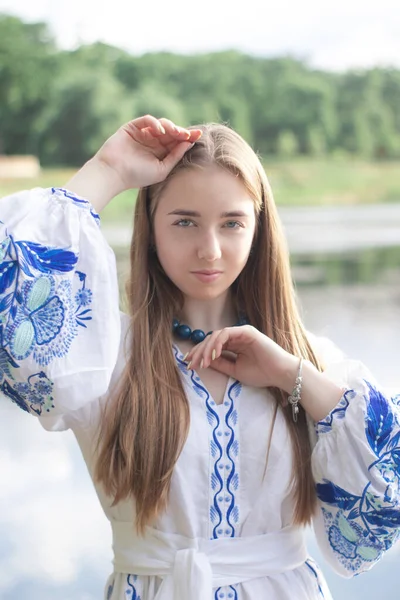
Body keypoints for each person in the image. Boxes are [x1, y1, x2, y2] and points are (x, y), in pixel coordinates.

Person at [1, 114, 399, 600]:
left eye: (232, 223)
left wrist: (293, 376)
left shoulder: (312, 358)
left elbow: (384, 508)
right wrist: (108, 169)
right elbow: (13, 305)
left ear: (258, 230)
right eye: (185, 221)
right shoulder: (103, 355)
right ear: (151, 226)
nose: (209, 250)